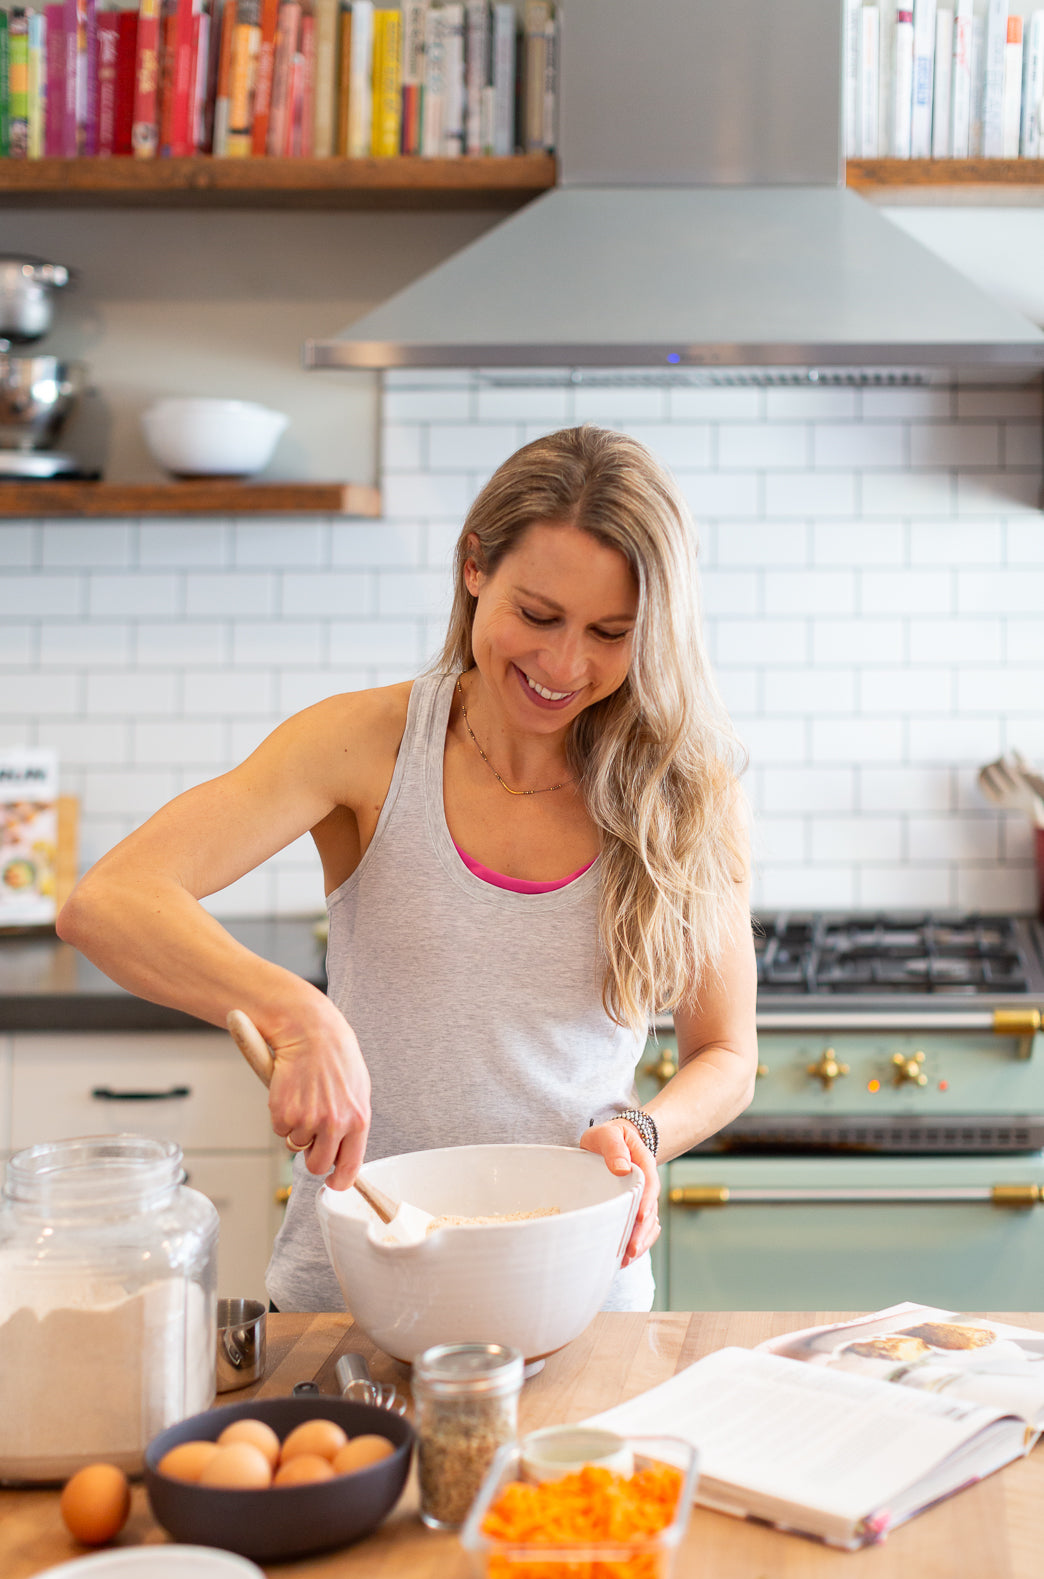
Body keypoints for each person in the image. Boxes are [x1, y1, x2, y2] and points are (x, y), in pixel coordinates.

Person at [57, 425, 758, 1312]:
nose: (564, 664)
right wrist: (297, 1013)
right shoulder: (367, 744)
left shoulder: (685, 789)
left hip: (575, 1292)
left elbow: (727, 1053)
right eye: (538, 616)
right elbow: (109, 900)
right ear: (475, 568)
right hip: (355, 1287)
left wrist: (643, 1131)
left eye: (611, 633)